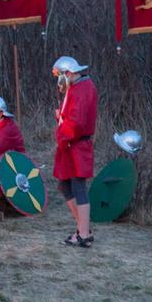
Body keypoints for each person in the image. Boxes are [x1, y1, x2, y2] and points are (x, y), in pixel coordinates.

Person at [52, 56, 97, 248]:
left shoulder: (83, 89)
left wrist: (62, 133)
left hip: (77, 144)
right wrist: (61, 118)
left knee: (78, 187)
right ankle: (83, 228)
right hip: (71, 144)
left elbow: (77, 123)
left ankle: (84, 233)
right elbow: (72, 118)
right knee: (64, 185)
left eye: (59, 76)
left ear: (69, 73)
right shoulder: (76, 87)